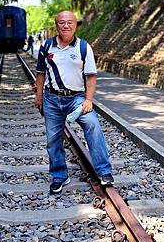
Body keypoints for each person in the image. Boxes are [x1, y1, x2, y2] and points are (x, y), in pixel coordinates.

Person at [34, 11, 114, 194]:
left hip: (76, 98)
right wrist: (38, 97)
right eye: (62, 22)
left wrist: (89, 100)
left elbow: (91, 77)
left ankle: (104, 171)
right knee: (53, 139)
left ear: (75, 25)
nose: (66, 26)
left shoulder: (84, 47)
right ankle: (59, 176)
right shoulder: (46, 46)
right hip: (52, 99)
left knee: (92, 124)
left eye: (70, 22)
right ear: (57, 25)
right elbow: (40, 74)